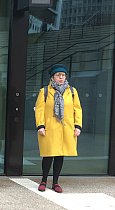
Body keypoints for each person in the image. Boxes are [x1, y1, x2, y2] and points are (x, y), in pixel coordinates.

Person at [35, 64, 82, 193]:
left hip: (66, 128)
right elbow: (39, 110)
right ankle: (43, 180)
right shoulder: (44, 91)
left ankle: (55, 182)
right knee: (48, 155)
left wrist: (77, 126)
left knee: (60, 155)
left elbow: (77, 109)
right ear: (52, 77)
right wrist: (40, 125)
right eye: (58, 75)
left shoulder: (72, 91)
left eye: (63, 75)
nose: (61, 77)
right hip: (50, 128)